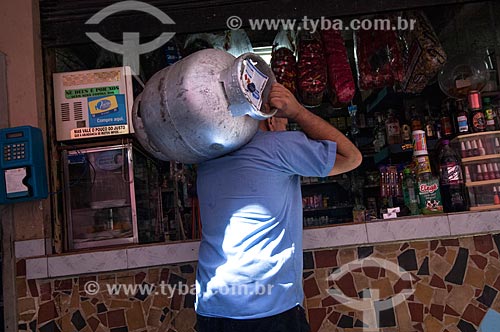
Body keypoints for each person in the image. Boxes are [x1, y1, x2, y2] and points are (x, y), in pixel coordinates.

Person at [195, 83, 362, 332]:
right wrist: (297, 113)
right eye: (281, 119)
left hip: (211, 307)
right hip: (268, 310)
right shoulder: (278, 146)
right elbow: (352, 158)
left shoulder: (206, 159)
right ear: (271, 119)